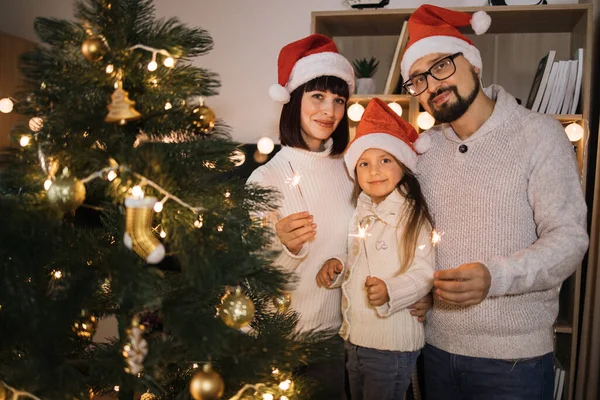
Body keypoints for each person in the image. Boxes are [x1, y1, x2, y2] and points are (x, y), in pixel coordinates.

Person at [399, 5, 589, 399]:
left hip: (513, 361)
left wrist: (495, 277)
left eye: (440, 66)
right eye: (417, 79)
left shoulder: (539, 135)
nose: (431, 85)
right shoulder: (423, 150)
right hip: (433, 348)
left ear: (474, 65)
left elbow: (569, 239)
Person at [247, 34, 431, 398]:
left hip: (338, 338)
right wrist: (279, 242)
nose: (328, 111)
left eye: (338, 100)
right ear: (295, 99)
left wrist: (411, 292)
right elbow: (245, 268)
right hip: (276, 342)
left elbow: (384, 240)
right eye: (317, 97)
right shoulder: (264, 177)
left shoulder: (354, 171)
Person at [316, 98, 435, 400]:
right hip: (356, 339)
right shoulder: (362, 209)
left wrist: (392, 291)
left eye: (385, 160)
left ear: (403, 165)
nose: (374, 171)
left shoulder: (410, 214)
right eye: (364, 164)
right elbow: (358, 258)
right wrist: (339, 266)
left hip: (390, 344)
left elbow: (424, 271)